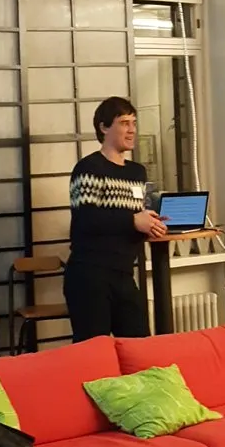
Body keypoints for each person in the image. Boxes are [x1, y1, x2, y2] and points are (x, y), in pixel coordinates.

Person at [65, 96, 165, 341]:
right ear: (103, 127)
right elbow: (86, 220)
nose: (131, 129)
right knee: (93, 355)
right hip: (89, 275)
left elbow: (131, 217)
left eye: (133, 122)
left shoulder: (137, 172)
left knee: (139, 346)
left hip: (124, 274)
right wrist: (132, 221)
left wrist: (149, 225)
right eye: (123, 123)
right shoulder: (89, 168)